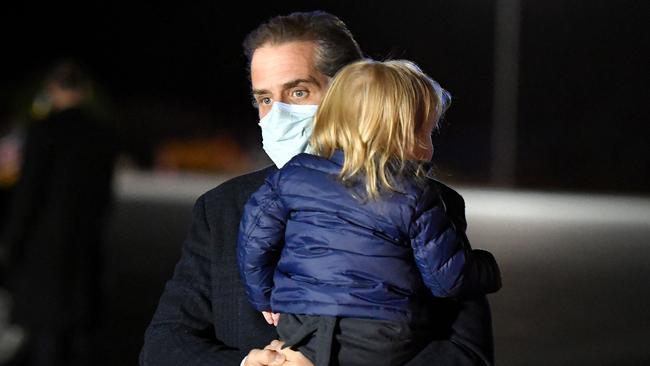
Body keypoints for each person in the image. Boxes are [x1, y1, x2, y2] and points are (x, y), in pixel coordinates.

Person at [141, 11, 498, 366]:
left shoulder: (427, 200)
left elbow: (466, 353)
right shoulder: (221, 209)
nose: (277, 115)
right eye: (265, 99)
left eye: (298, 92)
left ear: (352, 91)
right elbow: (164, 343)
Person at [237, 59, 501, 366]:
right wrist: (487, 267)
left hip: (301, 324)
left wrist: (264, 296)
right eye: (427, 133)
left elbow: (253, 241)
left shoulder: (292, 176)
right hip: (380, 335)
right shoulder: (416, 194)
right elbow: (447, 280)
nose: (429, 147)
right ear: (402, 133)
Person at [0, 59, 117, 365]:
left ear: (52, 90)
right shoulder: (101, 134)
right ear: (85, 90)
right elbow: (104, 193)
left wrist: (13, 241)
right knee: (80, 326)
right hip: (84, 241)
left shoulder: (42, 131)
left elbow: (28, 193)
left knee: (46, 329)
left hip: (44, 244)